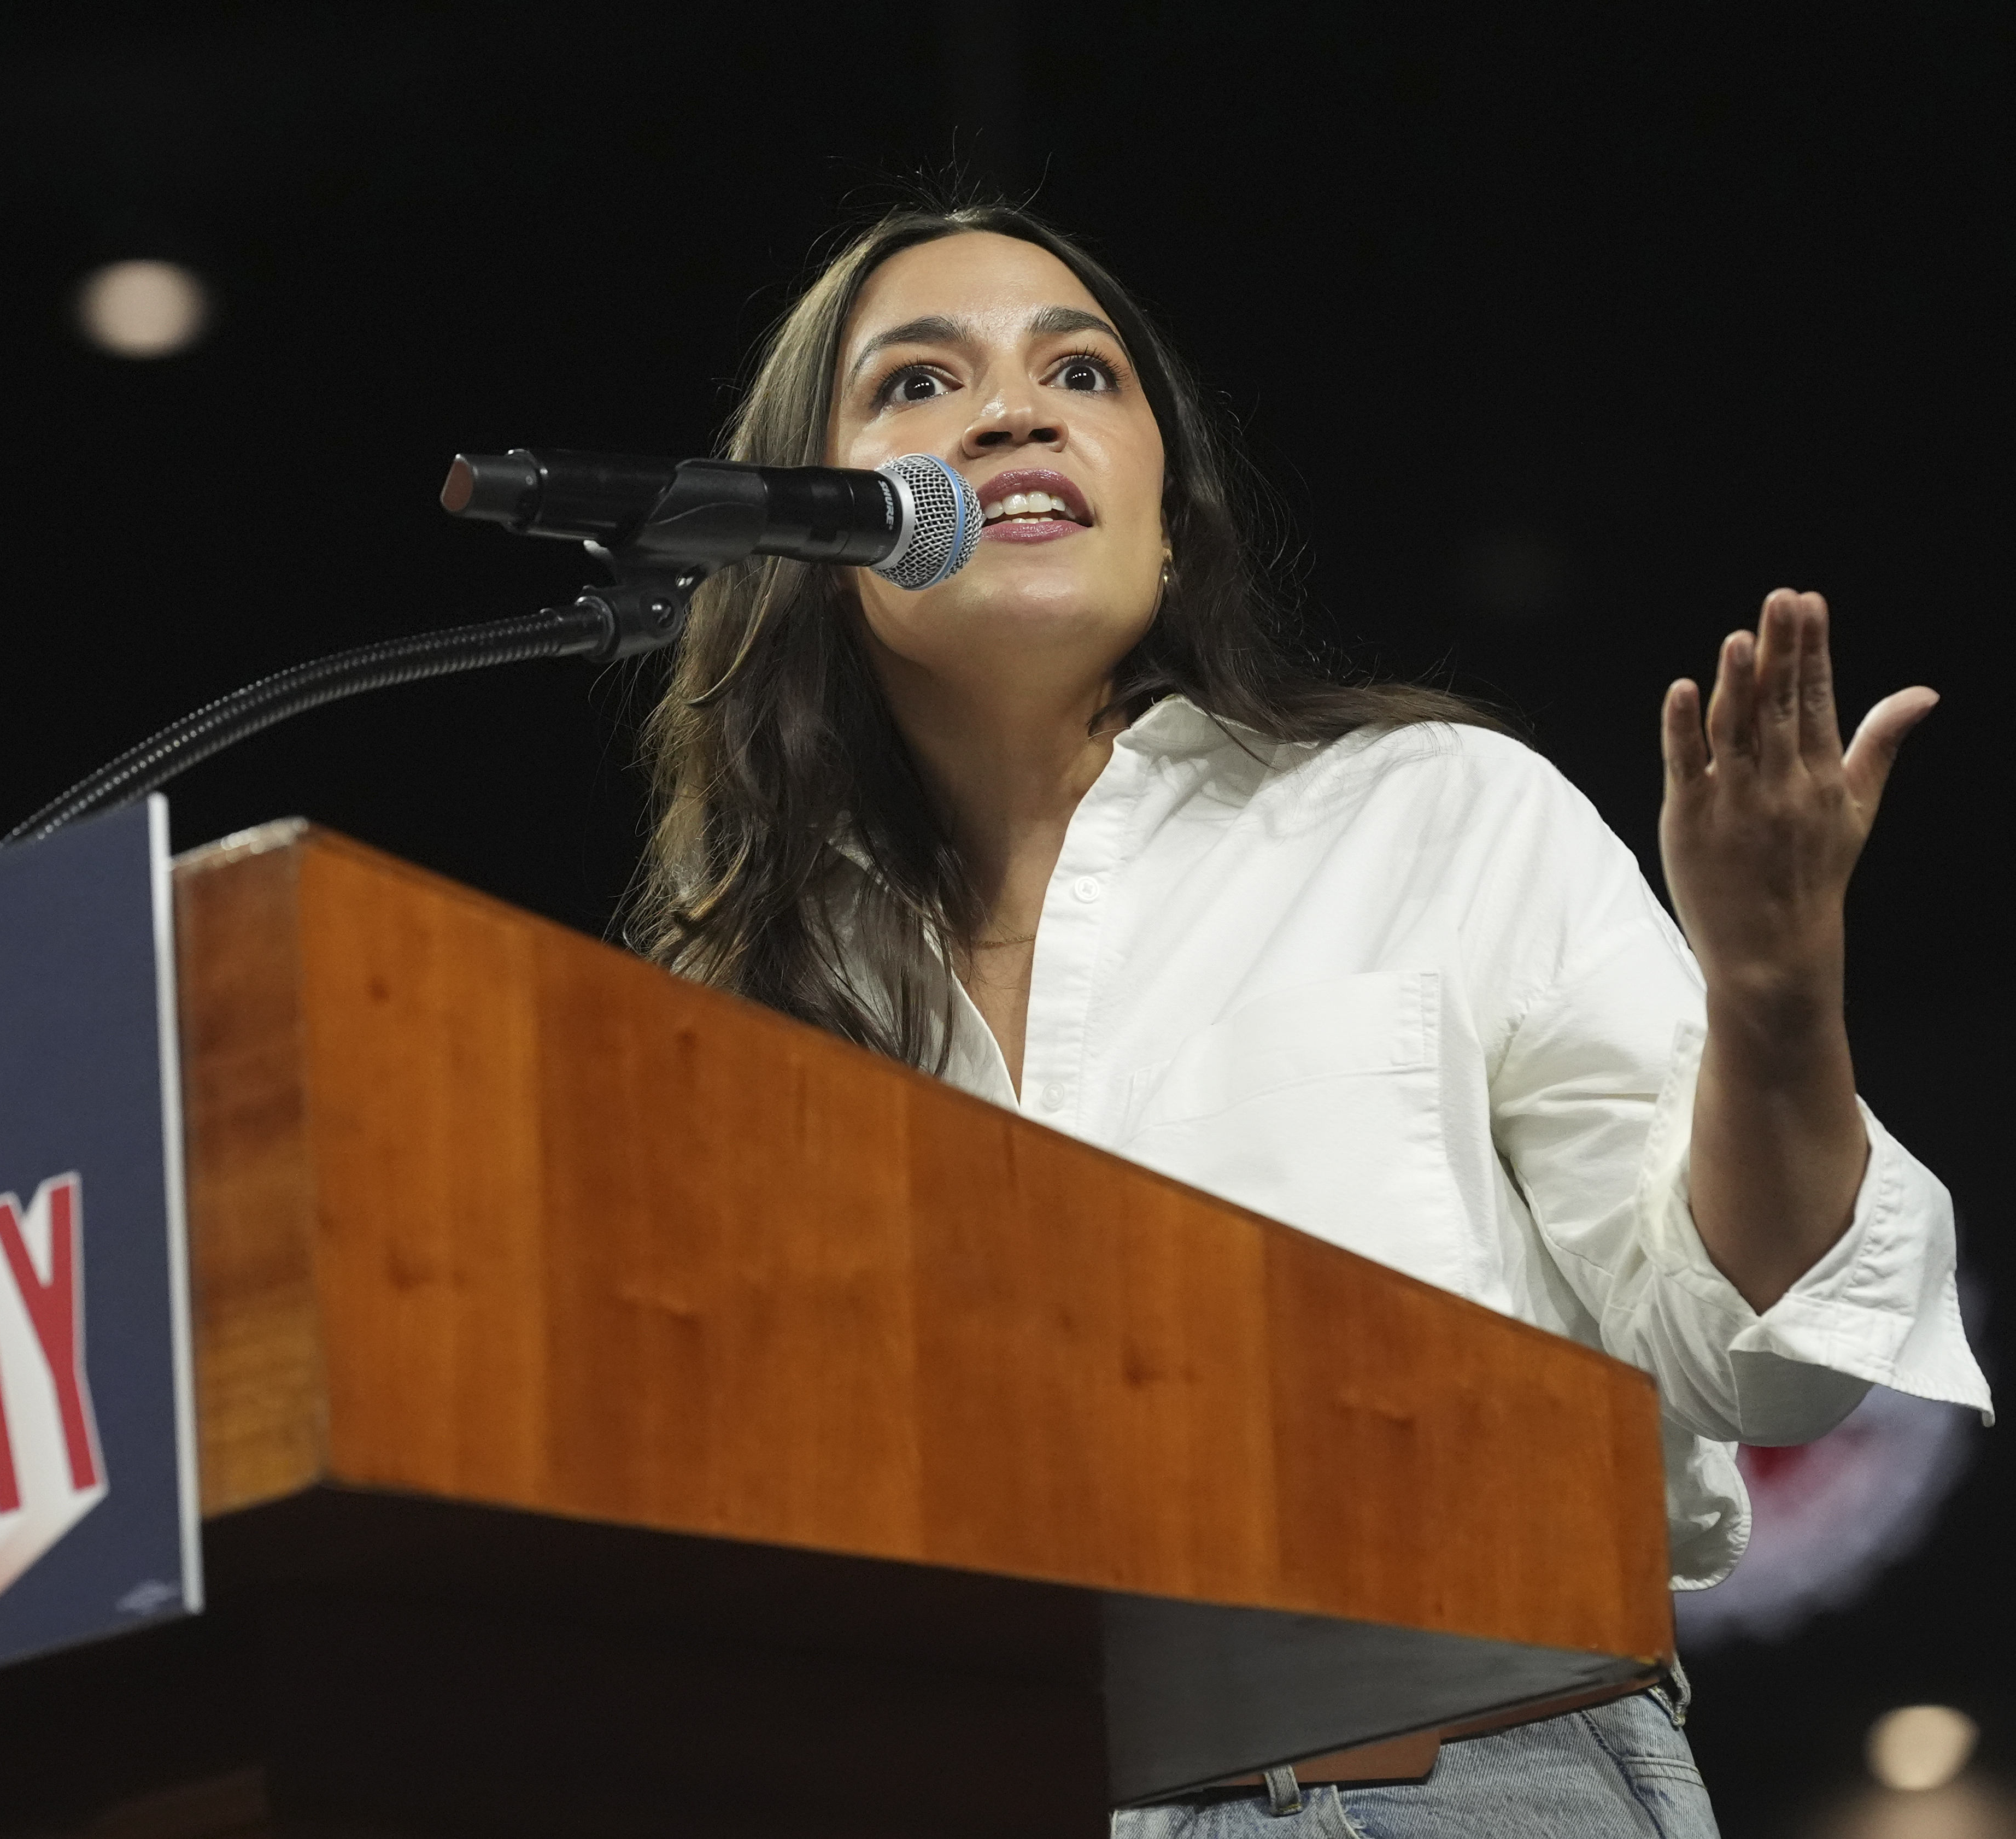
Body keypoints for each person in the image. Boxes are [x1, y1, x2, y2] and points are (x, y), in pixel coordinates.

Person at [627, 199, 1990, 1837]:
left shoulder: (1430, 815)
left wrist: (1775, 1007)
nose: (1011, 413)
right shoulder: (749, 1001)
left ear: (1170, 522)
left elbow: (1759, 1365)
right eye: (918, 383)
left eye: (1082, 372)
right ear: (803, 539)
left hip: (1444, 1784)